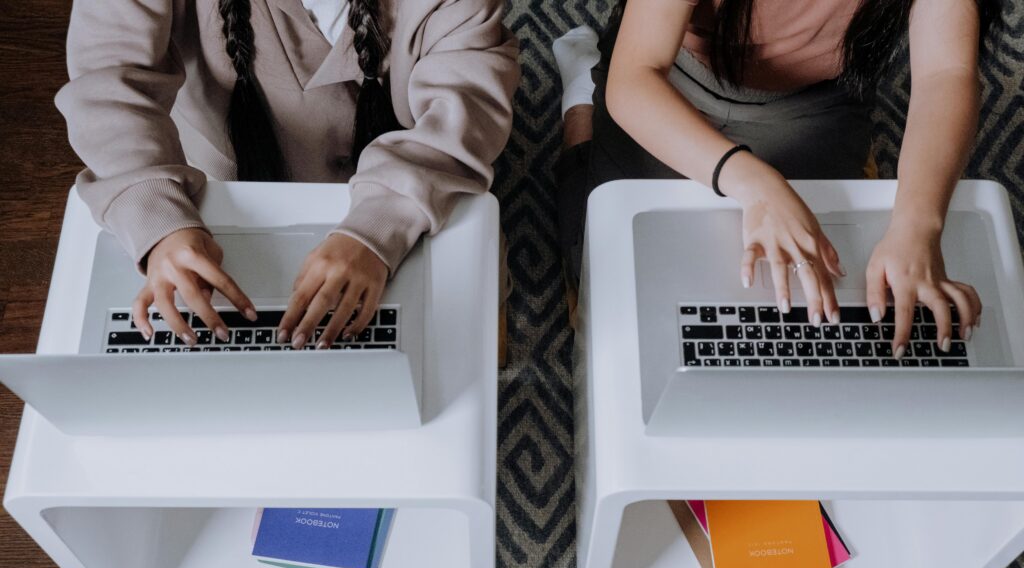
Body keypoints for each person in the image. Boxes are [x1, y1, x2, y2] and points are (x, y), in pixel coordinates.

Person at [57, 0, 519, 352]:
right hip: (226, 197)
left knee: (459, 352)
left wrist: (376, 229)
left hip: (418, 186)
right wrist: (158, 221)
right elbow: (106, 75)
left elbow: (467, 101)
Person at [555, 0, 999, 358]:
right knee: (608, 282)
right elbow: (635, 78)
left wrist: (919, 229)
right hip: (670, 76)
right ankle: (580, 94)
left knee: (814, 306)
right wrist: (755, 185)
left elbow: (946, 74)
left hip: (816, 100)